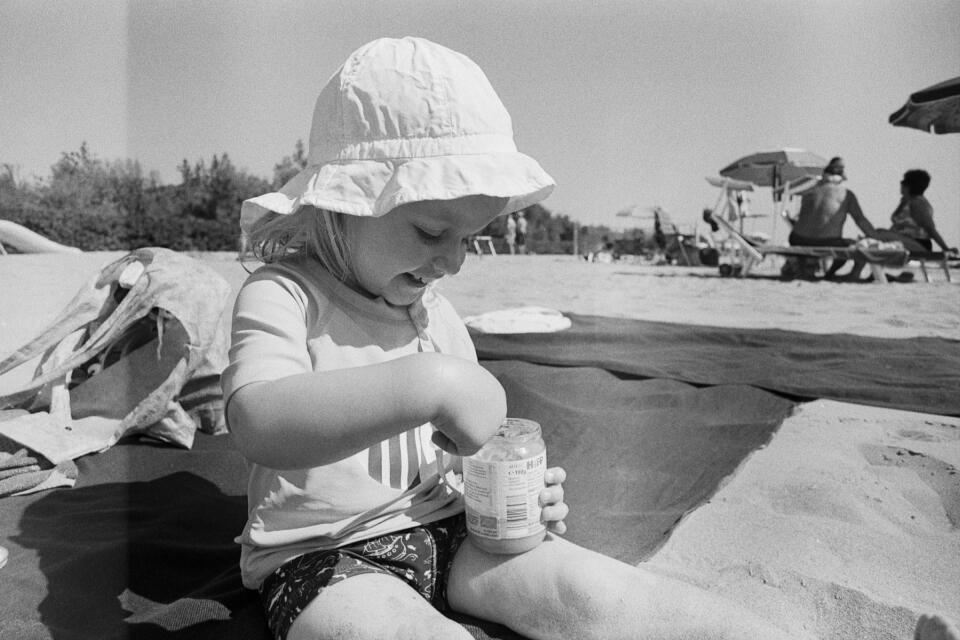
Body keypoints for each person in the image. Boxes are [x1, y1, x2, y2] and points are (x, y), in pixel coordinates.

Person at [224, 37, 954, 640]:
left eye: (470, 239)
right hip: (326, 560)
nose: (450, 261)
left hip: (454, 534)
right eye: (429, 231)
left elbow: (460, 453)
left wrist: (512, 494)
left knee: (603, 596)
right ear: (341, 203)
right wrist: (433, 386)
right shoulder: (286, 294)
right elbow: (260, 422)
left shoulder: (434, 315)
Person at [788, 156, 878, 280]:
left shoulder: (809, 192)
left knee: (809, 237)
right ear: (841, 178)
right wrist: (876, 238)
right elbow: (860, 220)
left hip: (797, 239)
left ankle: (803, 270)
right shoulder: (847, 194)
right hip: (828, 241)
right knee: (853, 246)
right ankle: (830, 274)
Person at [873, 169, 957, 255]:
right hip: (904, 241)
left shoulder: (917, 203)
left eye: (904, 182)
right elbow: (896, 224)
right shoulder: (906, 201)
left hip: (919, 244)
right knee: (878, 232)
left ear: (909, 185)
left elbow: (930, 228)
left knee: (882, 234)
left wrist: (945, 248)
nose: (901, 184)